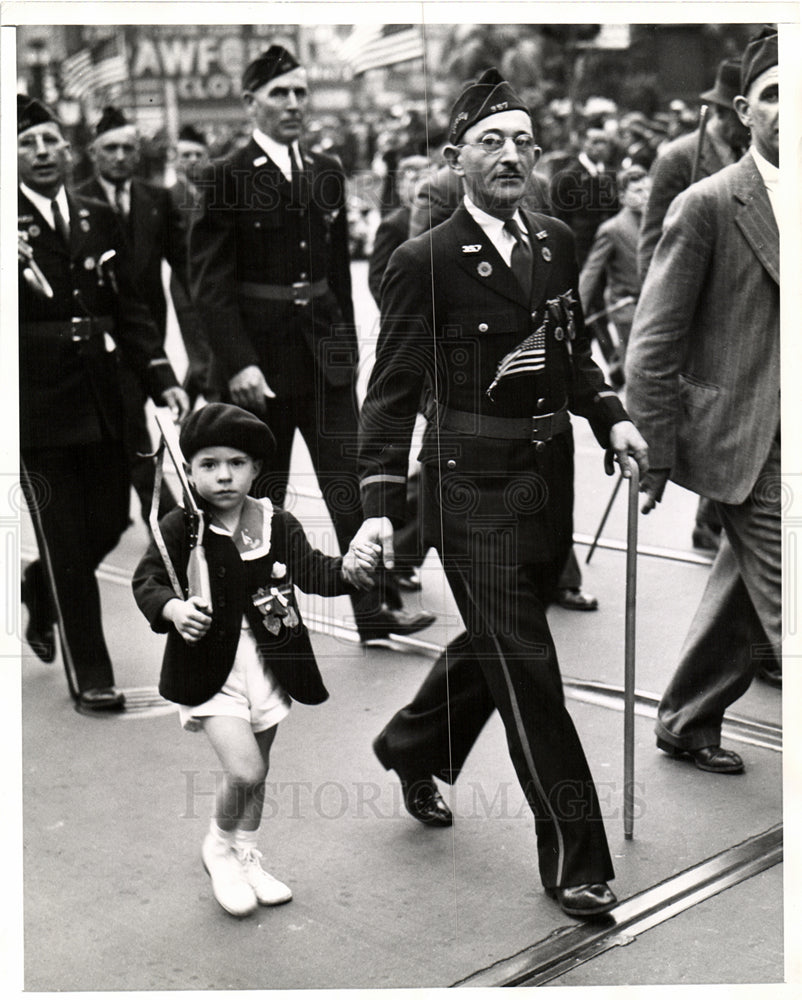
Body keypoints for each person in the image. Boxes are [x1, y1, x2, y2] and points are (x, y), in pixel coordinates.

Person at [351, 69, 649, 919]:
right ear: (456, 159)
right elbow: (392, 388)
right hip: (469, 490)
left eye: (524, 141)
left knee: (496, 646)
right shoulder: (425, 261)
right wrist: (379, 507)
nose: (512, 153)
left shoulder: (554, 240)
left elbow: (572, 350)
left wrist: (610, 417)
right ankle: (576, 857)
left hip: (546, 483)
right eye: (493, 140)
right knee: (528, 666)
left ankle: (412, 743)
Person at [189, 45, 434, 646]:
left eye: (300, 92)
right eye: (280, 94)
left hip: (324, 361)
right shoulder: (225, 175)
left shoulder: (324, 168)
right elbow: (209, 285)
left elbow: (335, 274)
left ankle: (374, 611)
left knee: (353, 486)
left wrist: (349, 352)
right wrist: (238, 362)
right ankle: (268, 616)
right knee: (260, 500)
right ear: (251, 103)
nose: (294, 104)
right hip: (260, 370)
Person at [132, 403, 379, 916]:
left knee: (260, 770)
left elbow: (314, 573)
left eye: (236, 463)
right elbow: (148, 582)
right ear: (191, 468)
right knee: (243, 770)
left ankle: (247, 853)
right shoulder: (181, 526)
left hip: (268, 663)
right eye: (208, 464)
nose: (223, 475)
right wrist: (175, 609)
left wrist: (350, 569)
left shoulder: (274, 521)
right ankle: (218, 849)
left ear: (256, 469)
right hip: (208, 670)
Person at [625, 26, 781, 774]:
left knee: (743, 592)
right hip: (753, 440)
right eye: (780, 95)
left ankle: (688, 717)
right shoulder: (707, 202)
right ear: (747, 111)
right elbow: (654, 338)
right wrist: (652, 448)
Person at [17, 95, 189, 712]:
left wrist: (160, 373)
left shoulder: (93, 214)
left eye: (49, 141)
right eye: (27, 143)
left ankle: (40, 589)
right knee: (64, 539)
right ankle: (93, 674)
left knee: (114, 518)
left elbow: (130, 306)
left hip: (107, 394)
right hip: (38, 405)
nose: (41, 153)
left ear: (68, 150)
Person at [636, 58, 749, 555]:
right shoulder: (680, 157)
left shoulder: (769, 157)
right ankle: (715, 520)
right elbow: (650, 243)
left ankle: (718, 522)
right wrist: (658, 307)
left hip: (744, 306)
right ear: (725, 111)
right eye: (728, 112)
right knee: (720, 411)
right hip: (693, 303)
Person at [76, 106, 192, 523]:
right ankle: (163, 517)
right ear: (94, 152)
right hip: (103, 341)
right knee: (132, 428)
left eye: (128, 147)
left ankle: (136, 513)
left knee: (131, 426)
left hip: (148, 334)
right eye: (111, 148)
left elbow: (185, 267)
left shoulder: (156, 200)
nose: (121, 156)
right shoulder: (76, 199)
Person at [579, 164, 651, 385]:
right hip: (627, 309)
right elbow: (591, 274)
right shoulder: (612, 229)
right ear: (622, 197)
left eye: (649, 189)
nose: (646, 196)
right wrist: (575, 314)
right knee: (638, 370)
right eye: (638, 192)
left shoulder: (660, 222)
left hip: (655, 307)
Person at [167, 124, 213, 405]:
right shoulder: (170, 197)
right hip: (186, 284)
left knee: (208, 351)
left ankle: (184, 409)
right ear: (176, 160)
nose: (192, 161)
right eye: (186, 155)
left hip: (213, 284)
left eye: (198, 154)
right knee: (200, 351)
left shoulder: (213, 191)